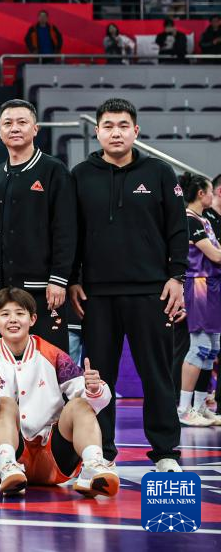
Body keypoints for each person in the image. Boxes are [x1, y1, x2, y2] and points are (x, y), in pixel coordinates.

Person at [69, 98, 187, 473]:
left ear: (135, 131)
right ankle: (101, 452)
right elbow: (70, 234)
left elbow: (178, 228)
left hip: (151, 292)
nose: (116, 132)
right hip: (96, 295)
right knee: (98, 379)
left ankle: (166, 452)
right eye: (108, 126)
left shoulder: (159, 172)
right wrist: (72, 280)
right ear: (97, 131)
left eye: (123, 125)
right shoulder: (80, 175)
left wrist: (177, 277)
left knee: (158, 375)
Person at [0, 288, 119, 497]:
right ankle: (8, 466)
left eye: (20, 313)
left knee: (79, 404)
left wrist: (94, 388)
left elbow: (92, 398)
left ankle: (93, 466)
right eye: (5, 314)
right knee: (5, 404)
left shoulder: (52, 354)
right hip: (7, 455)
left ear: (32, 319)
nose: (13, 320)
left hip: (54, 455)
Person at [0, 100, 76, 351]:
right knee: (8, 364)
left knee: (49, 362)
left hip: (44, 291)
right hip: (4, 293)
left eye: (22, 122)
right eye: (8, 123)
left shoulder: (54, 170)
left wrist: (58, 279)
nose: (14, 128)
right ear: (0, 131)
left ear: (35, 129)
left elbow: (66, 229)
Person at [174, 174, 221, 427]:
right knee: (199, 347)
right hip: (200, 285)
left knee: (212, 348)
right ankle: (184, 408)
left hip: (212, 286)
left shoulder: (204, 220)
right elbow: (215, 255)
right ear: (201, 194)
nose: (214, 195)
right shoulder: (189, 220)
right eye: (211, 190)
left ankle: (200, 407)